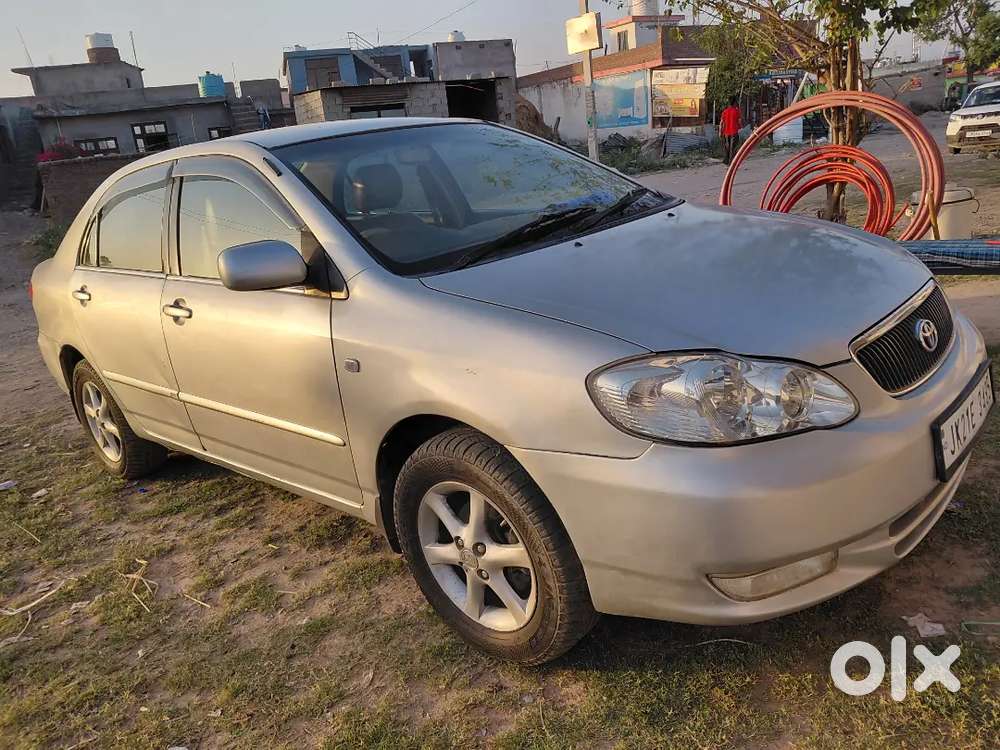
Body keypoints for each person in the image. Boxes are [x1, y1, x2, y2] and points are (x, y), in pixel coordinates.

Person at [720, 96, 742, 165]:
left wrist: (720, 132)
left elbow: (721, 122)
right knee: (733, 148)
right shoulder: (737, 111)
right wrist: (740, 127)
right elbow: (739, 121)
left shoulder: (725, 111)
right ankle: (731, 163)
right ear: (735, 102)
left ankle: (726, 161)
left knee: (727, 147)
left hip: (726, 133)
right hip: (734, 132)